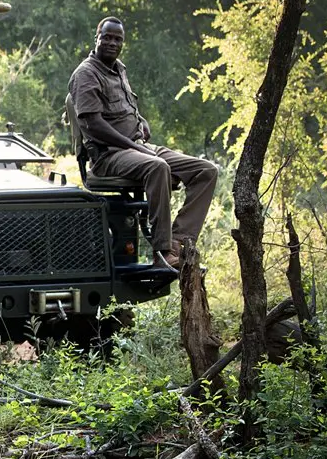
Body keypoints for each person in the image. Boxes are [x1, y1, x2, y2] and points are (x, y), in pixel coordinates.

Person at [68, 17, 219, 272]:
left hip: (138, 147)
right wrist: (133, 145)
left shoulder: (119, 69)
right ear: (97, 37)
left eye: (118, 39)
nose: (112, 43)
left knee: (206, 170)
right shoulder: (86, 74)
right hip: (109, 156)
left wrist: (141, 121)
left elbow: (122, 107)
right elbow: (93, 124)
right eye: (107, 37)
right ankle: (161, 253)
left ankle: (178, 242)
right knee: (158, 167)